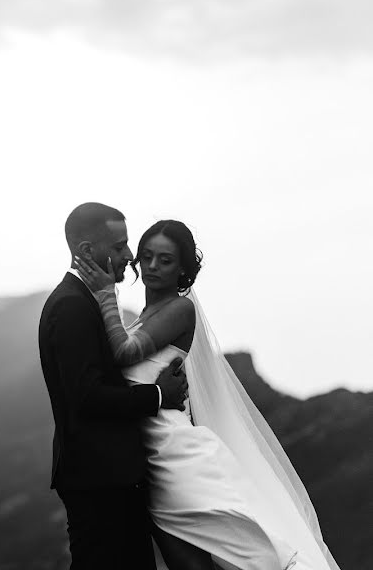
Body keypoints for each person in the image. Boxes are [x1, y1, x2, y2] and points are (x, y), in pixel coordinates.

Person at [72, 219, 341, 570]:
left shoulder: (180, 309)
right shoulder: (142, 318)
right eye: (147, 256)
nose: (152, 266)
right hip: (153, 462)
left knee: (252, 554)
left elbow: (124, 354)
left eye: (165, 260)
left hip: (176, 459)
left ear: (182, 268)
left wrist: (105, 292)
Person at [38, 202, 188, 570]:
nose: (129, 256)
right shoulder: (72, 306)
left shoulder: (84, 301)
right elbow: (87, 397)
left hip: (112, 475)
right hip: (98, 478)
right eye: (120, 246)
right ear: (88, 251)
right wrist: (158, 394)